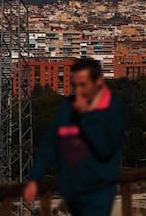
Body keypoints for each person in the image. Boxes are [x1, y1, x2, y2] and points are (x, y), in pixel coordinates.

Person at [23, 58, 128, 216]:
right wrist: (34, 178)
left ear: (98, 81)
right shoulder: (68, 107)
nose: (78, 91)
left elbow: (104, 148)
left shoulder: (114, 108)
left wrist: (84, 117)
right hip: (71, 193)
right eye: (74, 86)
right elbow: (50, 146)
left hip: (98, 194)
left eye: (83, 85)